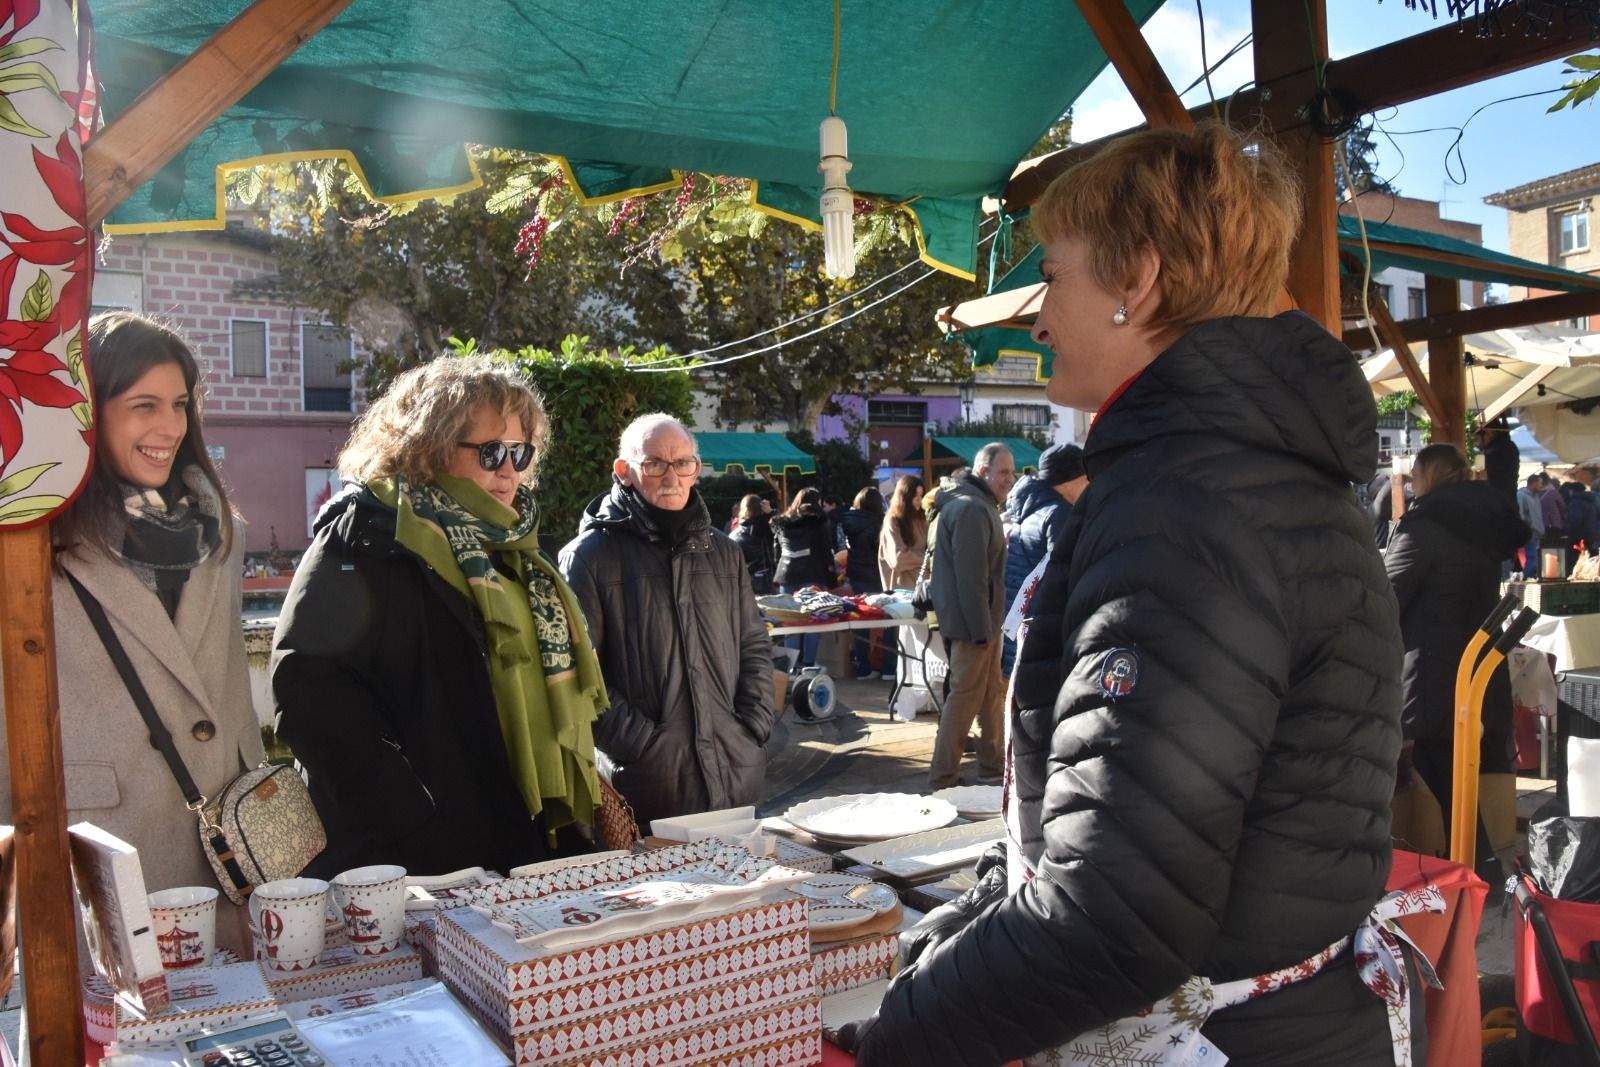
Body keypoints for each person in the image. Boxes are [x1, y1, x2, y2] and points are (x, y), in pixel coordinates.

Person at [847, 124, 1404, 1066]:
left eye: (1053, 276)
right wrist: (970, 927)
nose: (1037, 319)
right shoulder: (1251, 479)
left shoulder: (1184, 508)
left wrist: (901, 1036)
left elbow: (1113, 914)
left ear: (1136, 281)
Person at [274, 356, 604, 877]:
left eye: (520, 452)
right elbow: (309, 692)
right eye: (491, 451)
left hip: (524, 846)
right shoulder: (367, 536)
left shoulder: (514, 551)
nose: (509, 471)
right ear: (428, 447)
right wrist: (417, 818)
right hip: (414, 863)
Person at [0, 312, 264, 951]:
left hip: (232, 851)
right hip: (98, 850)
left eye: (179, 404)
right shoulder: (27, 541)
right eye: (144, 405)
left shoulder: (221, 533)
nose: (169, 427)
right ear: (89, 413)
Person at [559, 414, 774, 827]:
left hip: (737, 777)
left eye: (683, 463)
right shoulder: (588, 557)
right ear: (624, 471)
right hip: (646, 790)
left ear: (696, 469)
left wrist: (753, 726)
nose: (671, 477)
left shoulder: (724, 553)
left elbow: (754, 646)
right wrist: (641, 745)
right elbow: (579, 679)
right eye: (654, 464)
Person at [1385, 443, 1528, 872]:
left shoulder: (1427, 523)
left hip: (1434, 667)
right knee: (1461, 769)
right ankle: (1481, 864)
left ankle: (1468, 870)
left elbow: (1386, 595)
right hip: (1476, 660)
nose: (1412, 485)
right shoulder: (1485, 515)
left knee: (1438, 771)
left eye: (1414, 476)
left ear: (1429, 475)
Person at [921, 442, 1014, 790]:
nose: (1010, 479)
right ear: (983, 472)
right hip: (974, 625)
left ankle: (991, 769)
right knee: (965, 698)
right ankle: (943, 777)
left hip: (980, 623)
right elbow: (971, 578)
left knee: (989, 695)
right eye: (1004, 472)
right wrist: (981, 631)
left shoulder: (973, 504)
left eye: (1011, 472)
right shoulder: (972, 508)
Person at [1001, 442, 1087, 676]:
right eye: (1085, 478)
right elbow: (1064, 575)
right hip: (1047, 625)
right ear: (1068, 481)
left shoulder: (1029, 510)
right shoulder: (1059, 514)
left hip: (1021, 619)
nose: (1089, 484)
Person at [771, 486, 839, 671]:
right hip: (813, 573)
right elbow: (826, 552)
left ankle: (791, 665)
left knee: (791, 620)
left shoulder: (781, 523)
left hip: (786, 575)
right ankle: (808, 663)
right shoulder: (818, 523)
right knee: (813, 619)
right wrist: (831, 579)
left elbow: (776, 552)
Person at [839, 486, 890, 678]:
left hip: (856, 575)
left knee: (861, 621)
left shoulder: (848, 521)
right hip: (877, 576)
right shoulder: (879, 523)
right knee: (887, 619)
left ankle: (863, 668)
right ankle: (889, 668)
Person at [877, 475, 927, 592]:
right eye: (915, 495)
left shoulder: (922, 520)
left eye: (921, 495)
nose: (919, 500)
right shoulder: (893, 521)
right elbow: (898, 559)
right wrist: (927, 561)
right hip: (901, 590)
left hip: (923, 588)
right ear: (904, 496)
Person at [729, 493, 777, 594]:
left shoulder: (735, 535)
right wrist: (772, 513)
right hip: (771, 580)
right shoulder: (771, 529)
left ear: (743, 510)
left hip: (746, 583)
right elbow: (784, 526)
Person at [1478, 417, 1519, 506]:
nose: (1477, 442)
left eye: (1477, 438)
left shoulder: (1493, 452)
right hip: (1509, 501)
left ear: (1489, 433)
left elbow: (1480, 477)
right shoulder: (1509, 446)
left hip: (1496, 503)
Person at [1518, 473, 1547, 577]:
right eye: (1540, 483)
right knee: (1533, 559)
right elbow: (1520, 514)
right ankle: (1525, 578)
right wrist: (1527, 527)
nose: (1541, 486)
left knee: (1536, 559)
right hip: (1530, 532)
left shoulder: (1536, 497)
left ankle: (1528, 578)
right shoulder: (1521, 495)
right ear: (1533, 483)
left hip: (1538, 532)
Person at [1540, 471, 1567, 548]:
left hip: (1538, 524)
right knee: (1554, 546)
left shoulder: (1534, 493)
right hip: (1553, 523)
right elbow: (1563, 507)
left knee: (1542, 546)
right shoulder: (1553, 493)